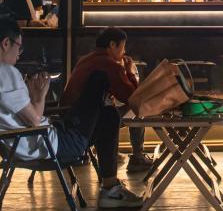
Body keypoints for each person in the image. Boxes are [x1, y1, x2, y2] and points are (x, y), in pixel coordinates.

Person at [0, 15, 144, 208]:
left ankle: (111, 189)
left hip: (30, 141)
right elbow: (34, 120)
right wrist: (39, 95)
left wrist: (35, 98)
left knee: (108, 115)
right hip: (51, 145)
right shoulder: (3, 73)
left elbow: (26, 118)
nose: (19, 54)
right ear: (6, 43)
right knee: (99, 80)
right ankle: (110, 189)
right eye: (19, 47)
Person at [62, 27, 154, 172]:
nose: (124, 51)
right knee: (137, 109)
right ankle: (137, 157)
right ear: (112, 45)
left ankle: (110, 153)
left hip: (69, 118)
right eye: (123, 46)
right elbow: (132, 96)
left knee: (112, 109)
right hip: (88, 124)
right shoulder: (109, 64)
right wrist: (129, 71)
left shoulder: (86, 60)